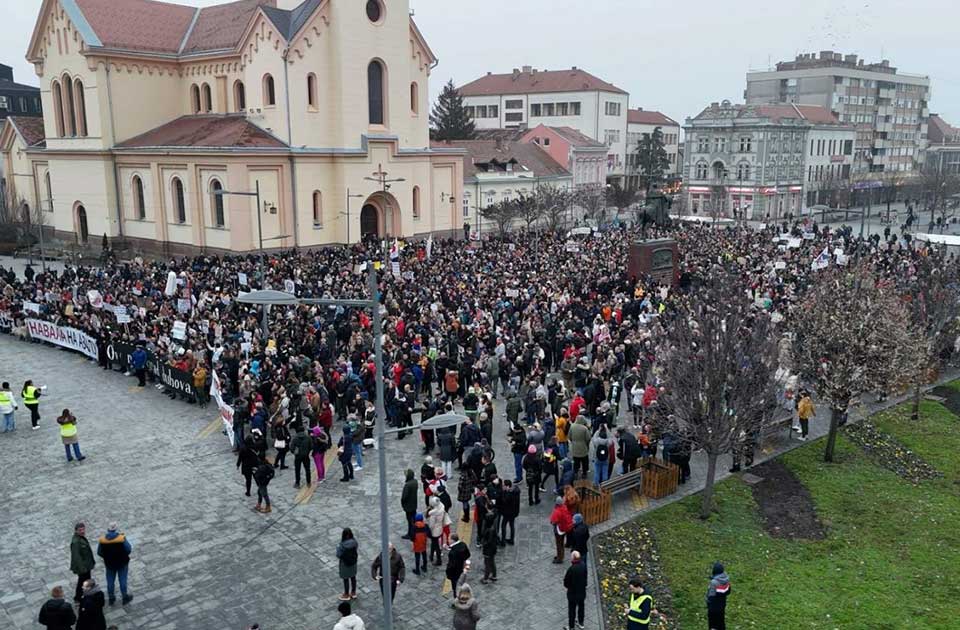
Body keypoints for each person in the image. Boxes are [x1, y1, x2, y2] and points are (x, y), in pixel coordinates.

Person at [96, 522, 133, 606]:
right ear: (115, 529)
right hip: (122, 563)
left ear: (108, 529)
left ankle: (111, 598)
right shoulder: (121, 538)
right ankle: (124, 597)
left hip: (109, 564)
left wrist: (107, 557)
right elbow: (128, 549)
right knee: (123, 580)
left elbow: (99, 552)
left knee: (110, 581)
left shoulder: (102, 540)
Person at [70, 522, 95, 603]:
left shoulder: (80, 538)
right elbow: (76, 557)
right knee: (82, 582)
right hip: (83, 567)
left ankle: (85, 595)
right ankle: (78, 597)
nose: (82, 531)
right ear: (76, 531)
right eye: (80, 530)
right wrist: (83, 569)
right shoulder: (76, 542)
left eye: (83, 529)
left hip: (86, 565)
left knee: (85, 581)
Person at [563, 551, 588, 630]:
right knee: (581, 607)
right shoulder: (583, 565)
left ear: (573, 558)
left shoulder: (571, 569)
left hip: (573, 594)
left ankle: (571, 627)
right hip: (582, 592)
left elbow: (566, 583)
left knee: (572, 610)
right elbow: (585, 578)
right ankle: (581, 623)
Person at [706, 562, 731, 630]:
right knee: (721, 624)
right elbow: (728, 591)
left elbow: (711, 597)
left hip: (713, 608)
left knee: (713, 626)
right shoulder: (726, 579)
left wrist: (708, 604)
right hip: (722, 606)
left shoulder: (714, 583)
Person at [336, 528, 359, 601]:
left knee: (346, 579)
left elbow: (338, 555)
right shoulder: (355, 542)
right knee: (353, 577)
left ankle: (346, 594)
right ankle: (353, 592)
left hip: (345, 564)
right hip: (353, 562)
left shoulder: (341, 545)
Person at [549, 496, 573, 564]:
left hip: (558, 530)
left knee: (559, 544)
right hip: (564, 529)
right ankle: (561, 556)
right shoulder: (564, 508)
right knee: (562, 543)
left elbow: (553, 521)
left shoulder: (557, 511)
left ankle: (559, 558)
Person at [567, 415, 591, 480]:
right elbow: (588, 438)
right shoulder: (584, 428)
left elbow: (569, 436)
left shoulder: (572, 427)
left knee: (576, 461)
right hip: (583, 447)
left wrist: (573, 441)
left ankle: (575, 473)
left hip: (575, 447)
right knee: (584, 461)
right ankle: (584, 473)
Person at [498, 479, 520, 545]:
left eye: (504, 486)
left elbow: (504, 501)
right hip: (514, 512)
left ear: (507, 486)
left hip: (507, 513)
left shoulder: (509, 494)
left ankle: (503, 541)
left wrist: (503, 493)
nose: (502, 487)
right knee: (512, 525)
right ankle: (511, 540)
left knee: (503, 526)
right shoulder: (516, 491)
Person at [479, 512, 498, 584]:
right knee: (492, 562)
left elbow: (488, 541)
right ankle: (494, 576)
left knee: (487, 564)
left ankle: (485, 578)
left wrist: (483, 544)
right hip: (493, 548)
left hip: (488, 549)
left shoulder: (489, 530)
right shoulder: (494, 527)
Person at [401, 468, 419, 540]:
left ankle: (411, 534)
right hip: (414, 504)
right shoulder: (415, 482)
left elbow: (404, 497)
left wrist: (403, 503)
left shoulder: (407, 485)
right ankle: (415, 531)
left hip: (408, 506)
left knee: (410, 521)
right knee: (414, 519)